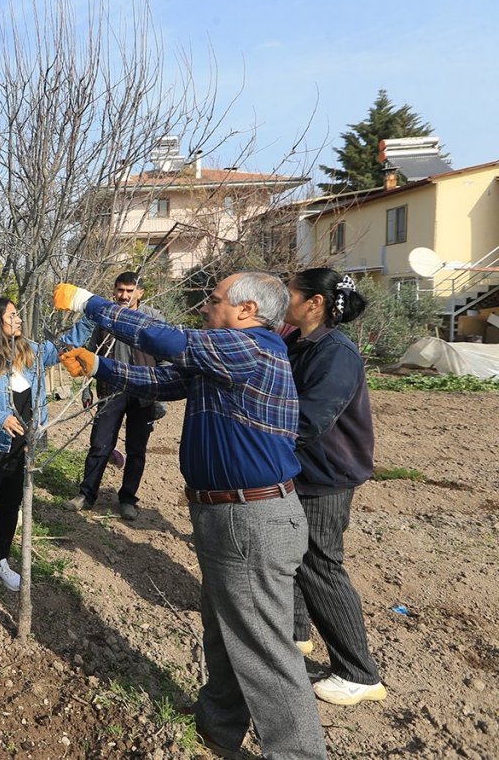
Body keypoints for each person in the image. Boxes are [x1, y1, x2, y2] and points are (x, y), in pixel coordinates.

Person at [58, 273, 327, 759]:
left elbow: (167, 341)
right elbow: (165, 379)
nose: (205, 306)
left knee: (266, 652)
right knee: (224, 633)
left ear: (246, 311)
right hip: (227, 516)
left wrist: (89, 303)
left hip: (254, 517)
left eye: (215, 299)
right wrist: (100, 365)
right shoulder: (224, 359)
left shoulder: (252, 348)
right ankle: (216, 731)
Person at [284, 268, 386, 706]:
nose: (283, 300)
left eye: (290, 294)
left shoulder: (336, 353)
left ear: (314, 303)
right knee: (293, 555)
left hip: (328, 474)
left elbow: (310, 419)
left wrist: (254, 428)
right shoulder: (299, 343)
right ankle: (297, 632)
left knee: (321, 565)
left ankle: (358, 673)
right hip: (304, 469)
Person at [0, 298, 78, 616]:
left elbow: (65, 345)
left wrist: (93, 311)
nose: (19, 319)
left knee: (10, 506)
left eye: (19, 314)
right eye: (13, 316)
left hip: (22, 446)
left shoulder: (28, 350)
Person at [63, 272, 165, 521]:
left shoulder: (154, 319)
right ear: (114, 291)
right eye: (120, 290)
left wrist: (160, 398)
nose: (124, 295)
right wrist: (87, 387)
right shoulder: (106, 319)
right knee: (100, 444)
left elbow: (164, 359)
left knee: (136, 449)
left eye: (130, 291)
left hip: (143, 392)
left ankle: (128, 499)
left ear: (140, 292)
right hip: (110, 391)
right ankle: (86, 495)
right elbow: (92, 353)